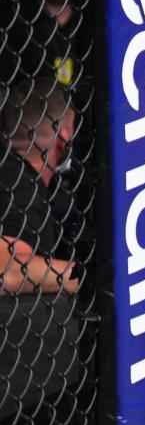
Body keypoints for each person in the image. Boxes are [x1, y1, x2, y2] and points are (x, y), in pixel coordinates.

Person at [1, 77, 78, 295]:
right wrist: (102, 279)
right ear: (64, 137)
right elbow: (7, 270)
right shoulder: (18, 185)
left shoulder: (16, 174)